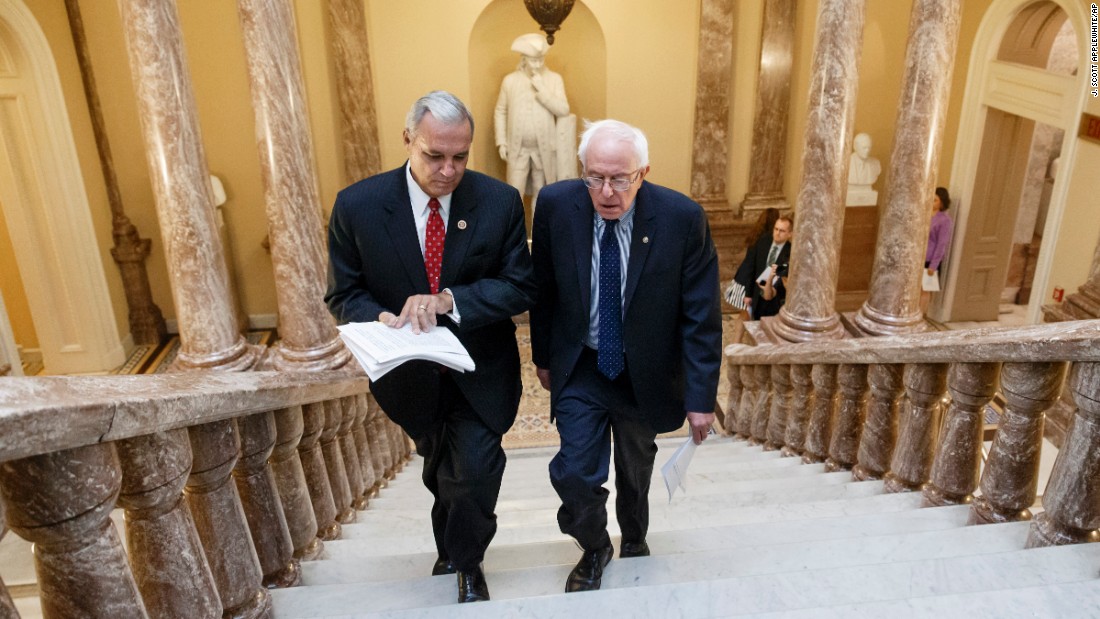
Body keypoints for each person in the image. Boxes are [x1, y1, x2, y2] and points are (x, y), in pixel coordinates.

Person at [325, 91, 536, 604]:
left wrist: (449, 300)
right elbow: (343, 294)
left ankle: (468, 563)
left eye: (460, 157)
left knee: (475, 471)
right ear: (407, 141)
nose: (448, 170)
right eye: (434, 156)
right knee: (440, 467)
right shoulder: (357, 205)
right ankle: (452, 541)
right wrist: (379, 317)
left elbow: (519, 285)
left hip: (480, 369)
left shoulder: (498, 201)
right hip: (408, 375)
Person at [530, 119, 722, 593]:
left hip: (646, 372)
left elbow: (701, 316)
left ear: (644, 172)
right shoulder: (555, 205)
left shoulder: (682, 218)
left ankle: (635, 534)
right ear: (583, 172)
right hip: (583, 365)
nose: (607, 191)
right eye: (595, 177)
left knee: (635, 468)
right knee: (575, 472)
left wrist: (701, 397)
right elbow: (543, 289)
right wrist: (542, 357)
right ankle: (594, 546)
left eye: (620, 178)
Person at [494, 33, 572, 201]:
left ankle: (538, 228)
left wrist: (542, 90)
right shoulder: (510, 81)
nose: (537, 64)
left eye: (541, 60)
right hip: (518, 148)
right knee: (514, 192)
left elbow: (563, 109)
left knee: (542, 192)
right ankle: (516, 228)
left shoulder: (553, 79)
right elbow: (501, 111)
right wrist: (502, 141)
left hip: (543, 148)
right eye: (533, 60)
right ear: (524, 59)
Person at [734, 215, 793, 320]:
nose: (777, 233)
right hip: (757, 294)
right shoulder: (763, 241)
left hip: (774, 299)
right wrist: (748, 294)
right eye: (776, 229)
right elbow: (751, 268)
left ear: (790, 234)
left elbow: (782, 277)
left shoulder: (790, 252)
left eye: (782, 231)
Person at [921, 186, 954, 314]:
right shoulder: (924, 214)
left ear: (942, 202)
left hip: (930, 260)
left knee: (925, 289)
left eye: (934, 200)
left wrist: (933, 266)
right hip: (919, 258)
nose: (931, 202)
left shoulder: (945, 220)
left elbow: (942, 244)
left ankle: (921, 316)